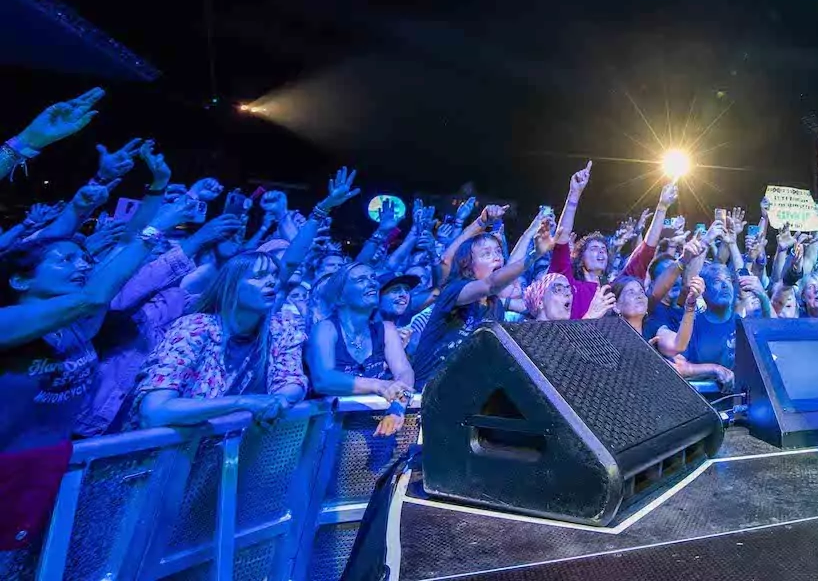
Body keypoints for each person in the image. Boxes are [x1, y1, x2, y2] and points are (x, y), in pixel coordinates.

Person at [133, 252, 308, 428]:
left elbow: (291, 381)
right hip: (167, 450)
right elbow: (154, 412)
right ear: (231, 286)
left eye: (275, 275)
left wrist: (277, 402)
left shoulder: (281, 328)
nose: (272, 281)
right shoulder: (195, 328)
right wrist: (243, 403)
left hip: (229, 451)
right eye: (259, 276)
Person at [412, 206, 558, 390]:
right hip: (426, 395)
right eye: (486, 254)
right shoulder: (454, 291)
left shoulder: (495, 308)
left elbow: (506, 272)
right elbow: (490, 282)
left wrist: (534, 229)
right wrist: (481, 223)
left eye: (498, 252)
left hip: (465, 394)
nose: (497, 258)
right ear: (469, 266)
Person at [549, 161, 679, 319]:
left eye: (603, 249)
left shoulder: (615, 290)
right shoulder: (569, 285)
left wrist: (662, 207)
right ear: (580, 258)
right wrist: (574, 194)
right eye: (594, 249)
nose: (601, 252)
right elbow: (561, 240)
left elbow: (645, 253)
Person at [307, 263, 415, 436]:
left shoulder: (386, 329)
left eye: (373, 278)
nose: (372, 283)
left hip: (372, 428)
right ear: (341, 297)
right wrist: (378, 385)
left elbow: (404, 372)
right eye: (361, 279)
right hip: (328, 432)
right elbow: (323, 379)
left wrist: (397, 407)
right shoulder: (325, 329)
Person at [611, 275, 705, 358]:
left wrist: (690, 306)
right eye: (631, 293)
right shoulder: (610, 335)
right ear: (616, 306)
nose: (639, 296)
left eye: (641, 292)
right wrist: (638, 357)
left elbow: (678, 345)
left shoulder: (653, 327)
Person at [523, 273, 615, 321]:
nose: (568, 294)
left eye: (568, 289)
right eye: (559, 289)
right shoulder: (525, 333)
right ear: (540, 302)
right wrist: (589, 317)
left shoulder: (565, 334)